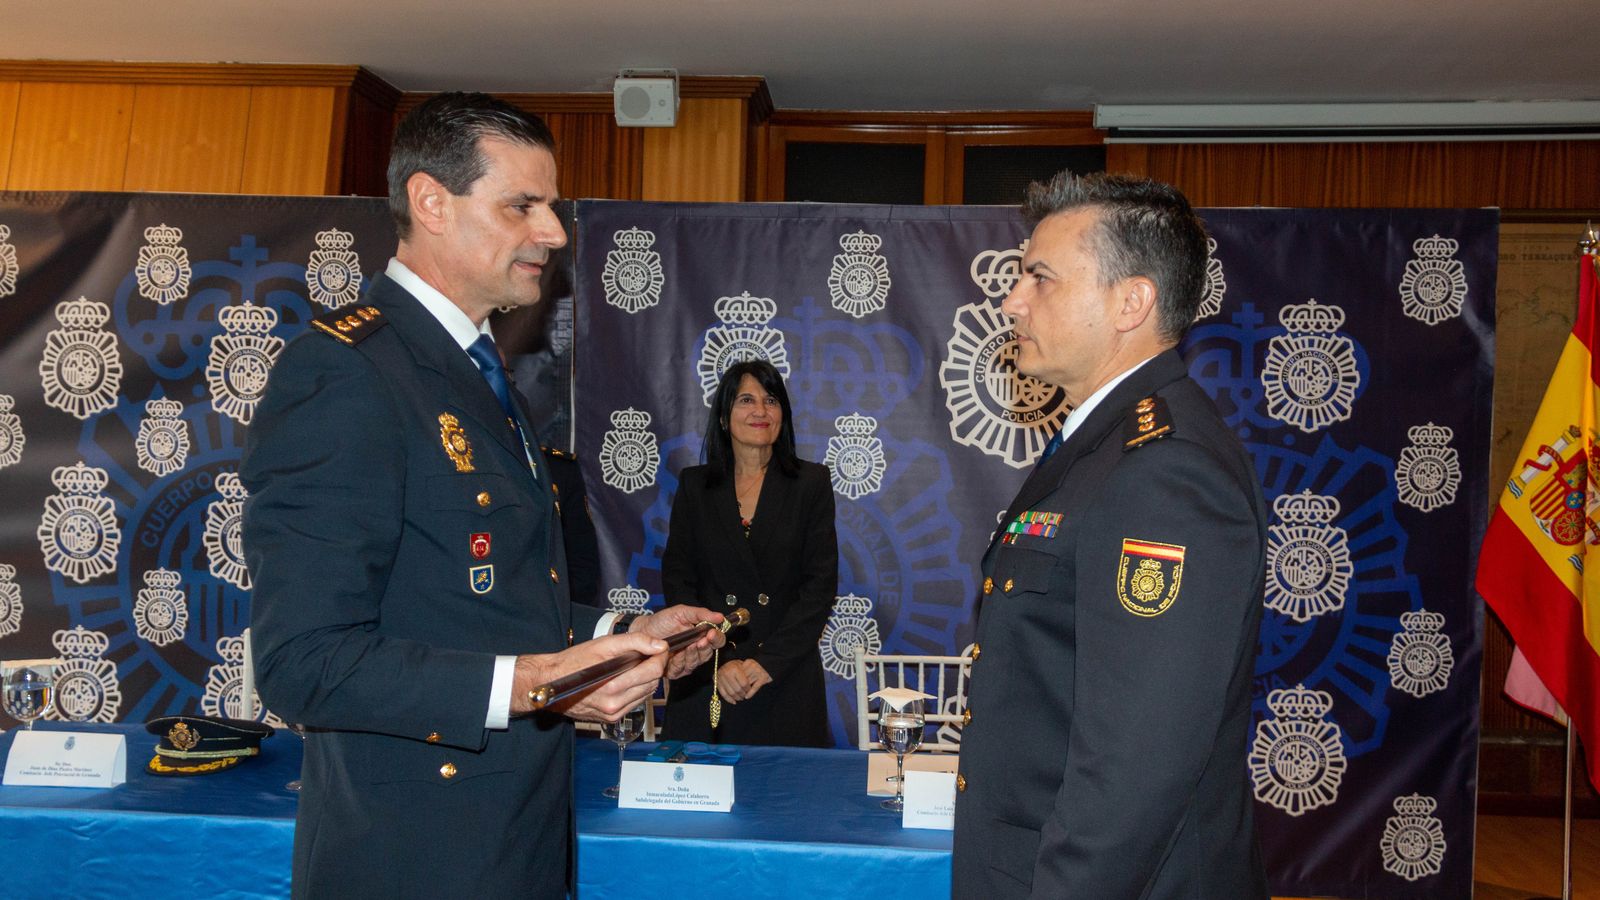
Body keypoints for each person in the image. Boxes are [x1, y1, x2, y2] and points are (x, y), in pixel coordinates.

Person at [243, 92, 722, 899]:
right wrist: (542, 684)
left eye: (553, 207)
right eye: (523, 205)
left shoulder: (473, 369)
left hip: (517, 844)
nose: (555, 232)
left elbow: (474, 601)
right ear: (431, 201)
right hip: (414, 860)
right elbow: (302, 662)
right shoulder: (348, 370)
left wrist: (620, 634)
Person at [950, 172, 1269, 899]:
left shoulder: (1166, 470)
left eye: (1040, 278)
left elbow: (1134, 769)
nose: (1012, 301)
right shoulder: (1102, 445)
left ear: (1132, 302)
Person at [660, 359, 838, 747]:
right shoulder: (695, 485)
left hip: (782, 677)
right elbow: (679, 581)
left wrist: (764, 663)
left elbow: (818, 589)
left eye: (771, 400)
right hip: (708, 674)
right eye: (746, 399)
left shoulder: (811, 483)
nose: (760, 410)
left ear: (783, 415)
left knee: (785, 803)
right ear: (724, 417)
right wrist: (716, 659)